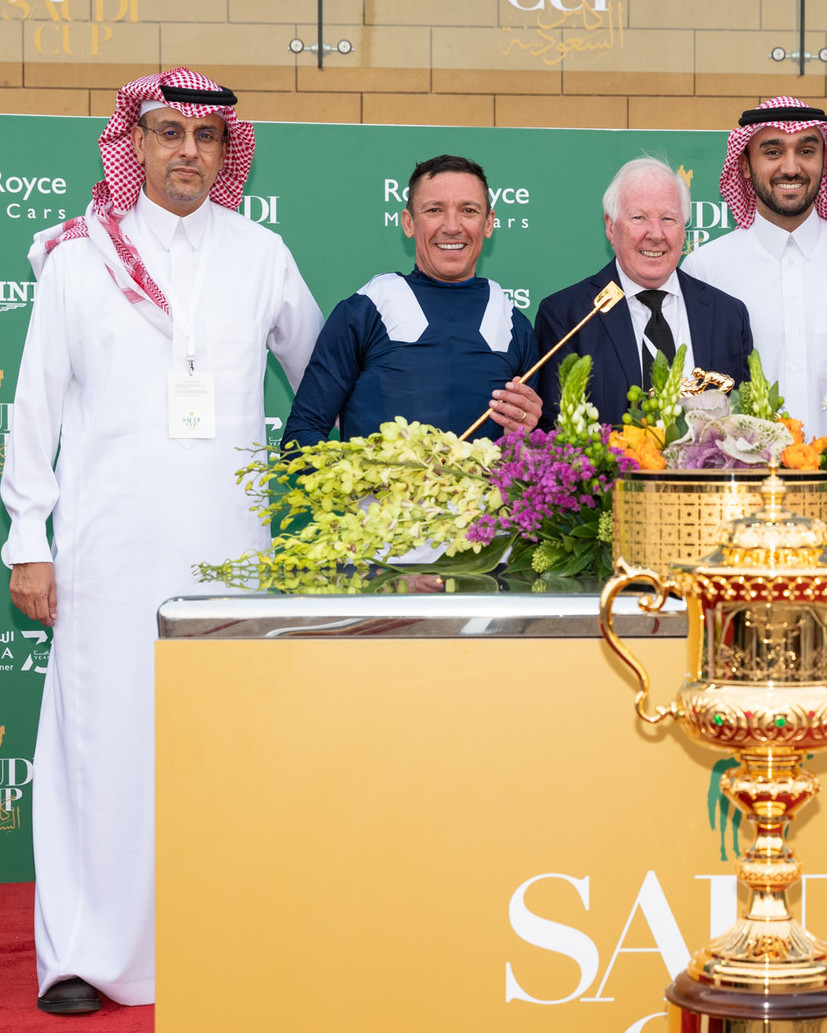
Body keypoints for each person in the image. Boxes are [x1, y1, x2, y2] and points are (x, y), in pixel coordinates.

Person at [0, 69, 323, 1014]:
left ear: (228, 153)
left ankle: (219, 932)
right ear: (134, 144)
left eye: (206, 137)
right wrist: (28, 536)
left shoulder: (261, 253)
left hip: (230, 555)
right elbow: (34, 411)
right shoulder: (77, 259)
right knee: (101, 746)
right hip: (106, 551)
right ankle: (85, 956)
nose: (188, 151)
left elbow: (316, 378)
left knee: (220, 749)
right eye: (168, 132)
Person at [283, 154, 542, 450]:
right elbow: (301, 434)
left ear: (489, 223)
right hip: (380, 498)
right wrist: (362, 482)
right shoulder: (368, 308)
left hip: (485, 497)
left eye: (468, 210)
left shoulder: (512, 323)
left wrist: (525, 440)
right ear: (408, 222)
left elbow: (532, 457)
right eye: (434, 210)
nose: (452, 226)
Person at [683, 97, 827, 437]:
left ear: (825, 161)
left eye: (806, 151)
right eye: (773, 152)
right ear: (744, 164)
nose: (791, 168)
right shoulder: (706, 269)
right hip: (744, 479)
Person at [535, 157, 753, 427]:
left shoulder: (728, 315)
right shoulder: (568, 315)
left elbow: (744, 423)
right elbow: (558, 431)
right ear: (609, 227)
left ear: (684, 228)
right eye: (639, 218)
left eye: (668, 218)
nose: (656, 233)